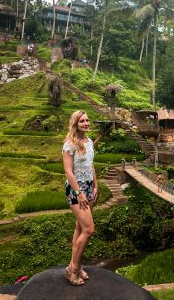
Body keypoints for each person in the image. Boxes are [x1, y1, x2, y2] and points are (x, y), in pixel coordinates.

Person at [63, 110, 98, 286]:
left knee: (80, 228)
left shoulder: (89, 142)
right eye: (82, 121)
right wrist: (80, 193)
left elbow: (91, 166)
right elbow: (68, 172)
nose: (86, 123)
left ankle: (73, 266)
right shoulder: (69, 144)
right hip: (76, 190)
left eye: (87, 120)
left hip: (89, 187)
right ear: (75, 124)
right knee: (89, 229)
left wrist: (95, 185)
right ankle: (74, 270)